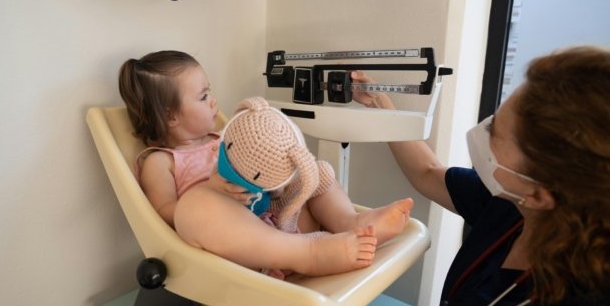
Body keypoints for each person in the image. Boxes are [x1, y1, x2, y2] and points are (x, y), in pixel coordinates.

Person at [351, 46, 610, 306]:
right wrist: (381, 101)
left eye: (494, 130)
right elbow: (427, 173)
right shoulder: (512, 205)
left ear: (541, 193)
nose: (482, 130)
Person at [118, 50, 414, 277]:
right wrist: (211, 189)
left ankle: (351, 223)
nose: (213, 101)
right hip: (239, 248)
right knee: (192, 208)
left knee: (313, 171)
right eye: (203, 96)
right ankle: (311, 253)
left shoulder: (224, 135)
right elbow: (163, 216)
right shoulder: (161, 161)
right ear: (171, 116)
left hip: (278, 220)